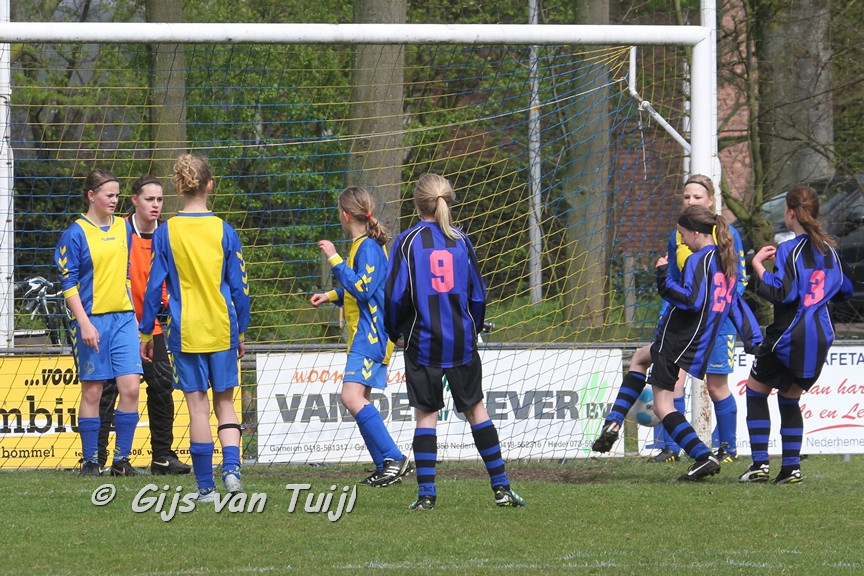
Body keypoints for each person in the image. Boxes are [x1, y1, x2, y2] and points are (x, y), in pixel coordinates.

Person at [385, 173, 525, 509]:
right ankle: (502, 488)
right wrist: (472, 329)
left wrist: (394, 331)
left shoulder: (407, 242)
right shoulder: (461, 240)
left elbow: (394, 296)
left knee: (426, 415)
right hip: (461, 341)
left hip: (423, 341)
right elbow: (478, 294)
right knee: (476, 410)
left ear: (417, 203)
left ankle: (426, 496)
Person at [592, 175, 747, 464]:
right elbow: (676, 281)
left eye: (697, 197)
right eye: (686, 197)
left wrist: (713, 313)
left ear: (710, 200)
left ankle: (726, 448)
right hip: (682, 322)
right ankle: (671, 448)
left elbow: (736, 283)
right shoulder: (678, 235)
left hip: (715, 324)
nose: (690, 201)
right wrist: (667, 312)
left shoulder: (725, 236)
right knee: (670, 386)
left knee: (715, 386)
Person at [139, 154, 250, 501]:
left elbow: (153, 287)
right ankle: (231, 471)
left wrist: (146, 332)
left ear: (178, 187)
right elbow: (239, 287)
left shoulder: (166, 232)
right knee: (226, 405)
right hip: (222, 327)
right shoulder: (225, 231)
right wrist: (241, 330)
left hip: (185, 331)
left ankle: (206, 488)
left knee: (198, 408)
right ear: (210, 186)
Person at [739, 186, 854, 484]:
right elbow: (846, 289)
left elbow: (782, 293)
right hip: (820, 336)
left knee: (755, 391)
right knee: (790, 398)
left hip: (788, 334)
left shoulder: (788, 248)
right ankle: (791, 469)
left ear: (791, 213)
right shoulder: (831, 250)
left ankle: (759, 465)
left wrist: (757, 266)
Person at [309, 186, 412, 487]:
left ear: (344, 215)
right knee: (360, 398)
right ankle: (385, 466)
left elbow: (364, 289)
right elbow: (362, 289)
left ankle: (394, 458)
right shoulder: (364, 245)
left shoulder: (367, 247)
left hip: (371, 335)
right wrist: (330, 295)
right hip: (366, 334)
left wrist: (334, 259)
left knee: (350, 397)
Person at [97, 175, 192, 476]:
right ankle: (98, 459)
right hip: (118, 323)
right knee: (108, 389)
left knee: (162, 385)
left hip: (152, 327)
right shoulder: (119, 231)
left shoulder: (168, 234)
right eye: (149, 199)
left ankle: (162, 457)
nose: (155, 205)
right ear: (135, 200)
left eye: (160, 199)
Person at [54, 169, 142, 476]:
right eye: (109, 195)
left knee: (131, 388)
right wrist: (84, 323)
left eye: (117, 195)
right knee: (92, 391)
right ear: (92, 196)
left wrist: (134, 315)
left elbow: (126, 272)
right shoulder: (74, 234)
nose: (115, 200)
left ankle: (121, 461)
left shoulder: (123, 227)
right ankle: (90, 461)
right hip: (92, 320)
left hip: (124, 319)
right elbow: (68, 285)